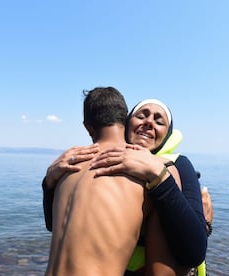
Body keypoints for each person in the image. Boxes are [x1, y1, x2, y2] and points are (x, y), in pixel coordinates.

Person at [43, 98, 208, 275]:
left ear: (167, 134)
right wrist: (49, 182)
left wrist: (158, 175)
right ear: (127, 122)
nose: (149, 122)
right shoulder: (102, 158)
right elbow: (57, 225)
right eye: (141, 116)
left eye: (159, 121)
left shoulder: (175, 166)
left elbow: (194, 252)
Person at [45, 87, 148, 275]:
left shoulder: (66, 168)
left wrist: (48, 180)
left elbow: (51, 225)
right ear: (126, 118)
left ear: (88, 127)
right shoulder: (141, 167)